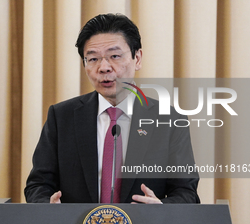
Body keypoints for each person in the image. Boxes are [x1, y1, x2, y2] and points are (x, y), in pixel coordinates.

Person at [24, 13, 200, 204]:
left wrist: (161, 209)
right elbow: (38, 185)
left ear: (137, 58)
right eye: (92, 59)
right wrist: (47, 208)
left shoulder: (170, 120)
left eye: (114, 56)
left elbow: (186, 192)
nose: (104, 67)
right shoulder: (61, 117)